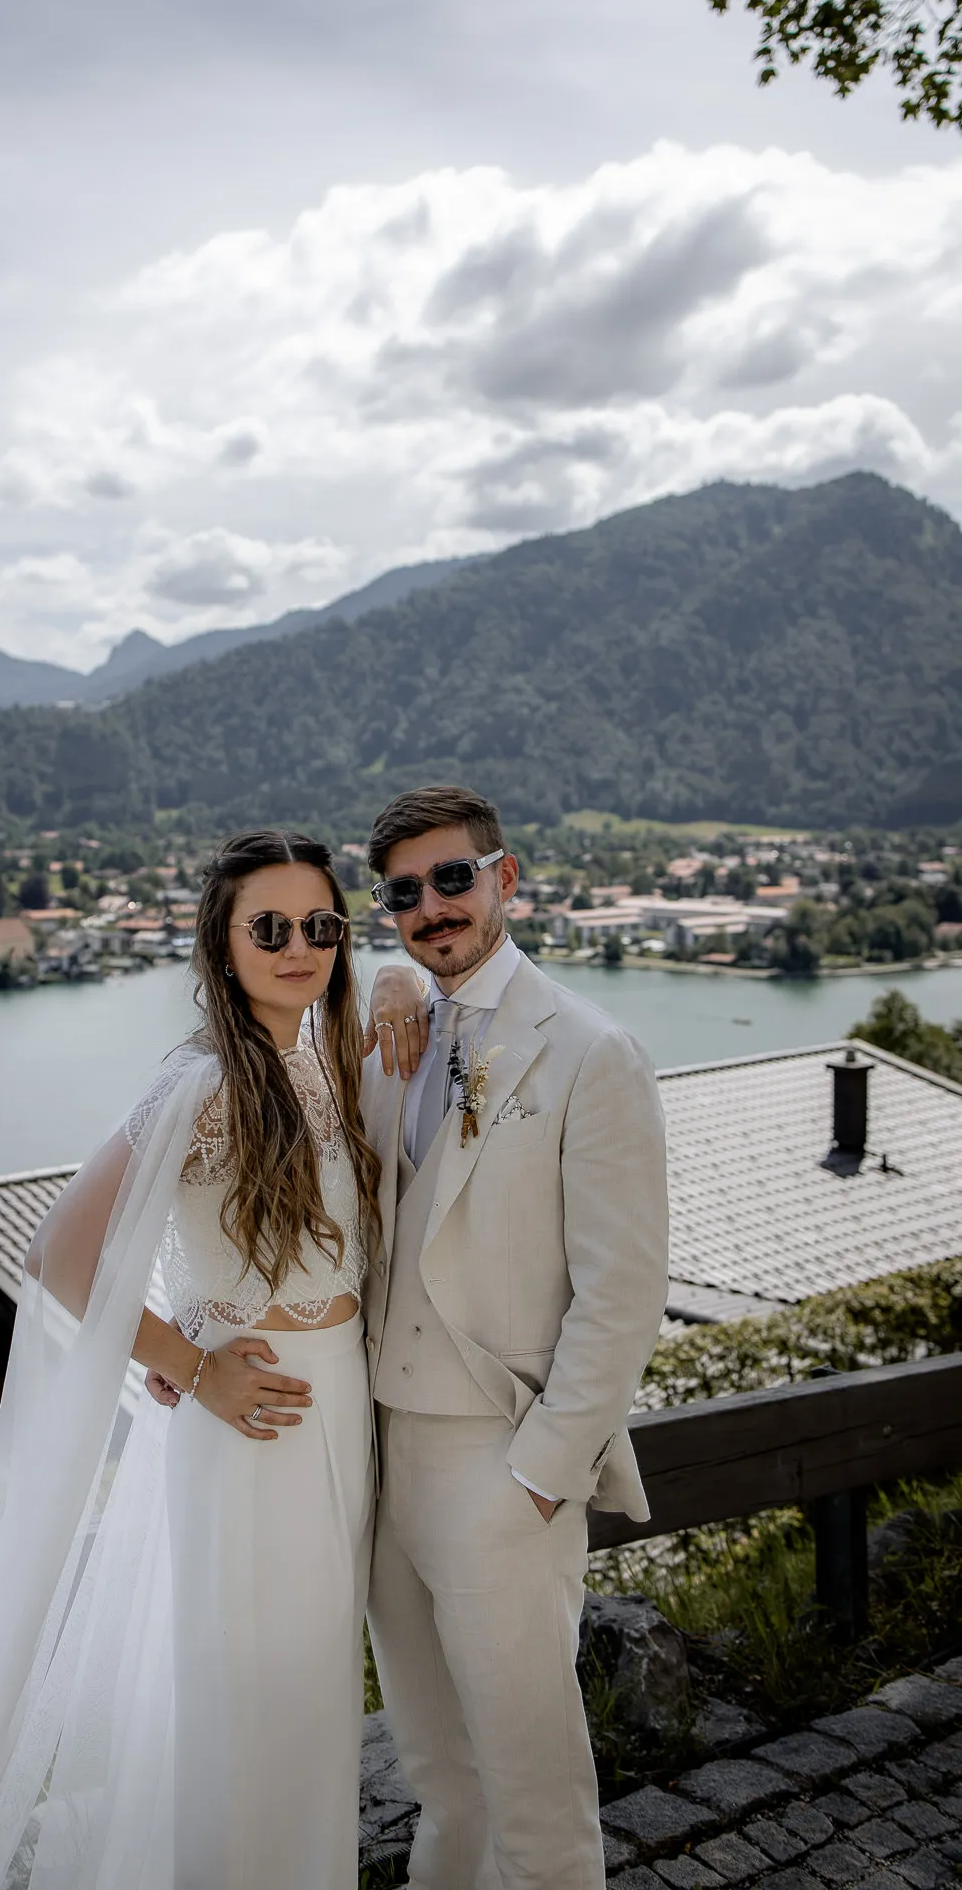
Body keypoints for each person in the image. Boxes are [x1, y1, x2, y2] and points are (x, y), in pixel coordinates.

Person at [0, 829, 383, 1890]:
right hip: (256, 1426)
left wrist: (182, 1325)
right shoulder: (202, 1085)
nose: (301, 946)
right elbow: (62, 1253)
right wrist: (193, 1363)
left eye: (322, 925)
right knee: (246, 1703)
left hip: (343, 1408)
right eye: (271, 927)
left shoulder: (326, 1060)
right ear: (223, 941)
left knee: (313, 1695)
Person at [361, 785, 670, 1890]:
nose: (433, 906)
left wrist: (540, 1476)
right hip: (380, 1458)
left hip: (499, 1458)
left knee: (534, 1800)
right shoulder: (391, 1033)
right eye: (405, 892)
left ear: (507, 876)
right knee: (440, 1777)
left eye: (454, 877)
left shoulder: (592, 1050)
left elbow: (623, 1293)